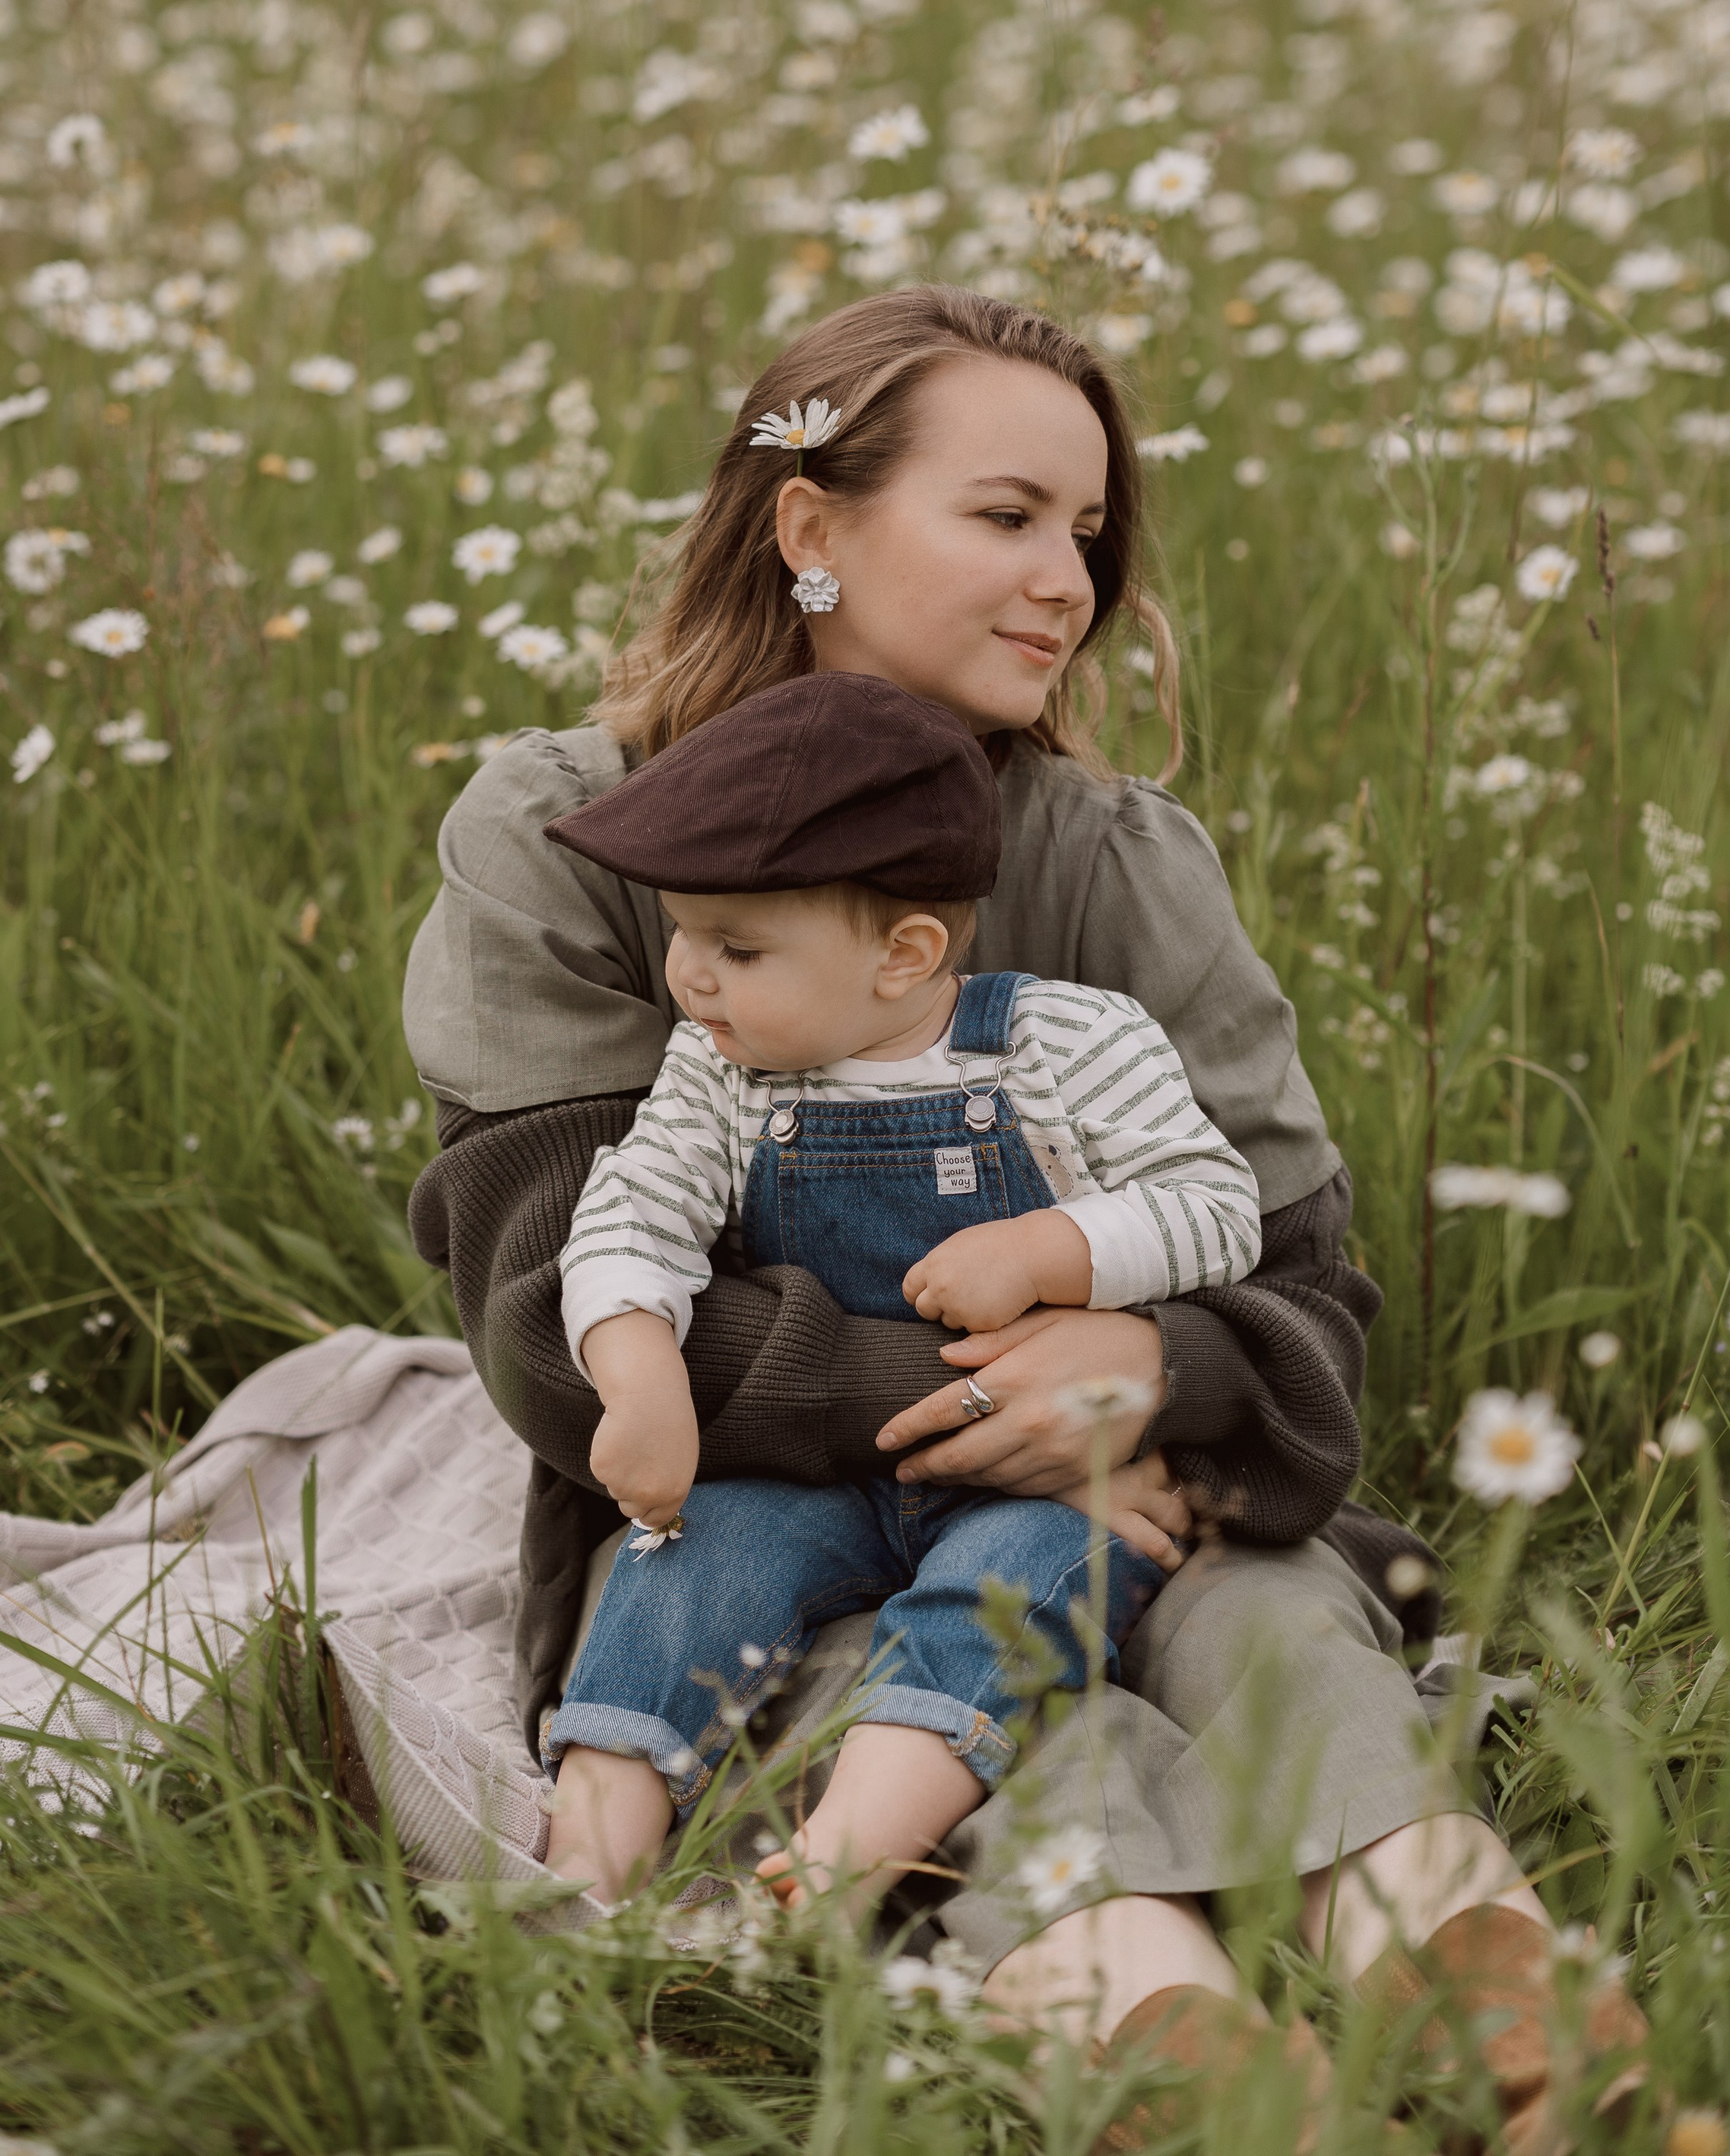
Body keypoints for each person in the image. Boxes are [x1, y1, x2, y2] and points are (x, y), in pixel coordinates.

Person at [404, 287, 1647, 2139]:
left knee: (1268, 1622)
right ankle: (1200, 2067)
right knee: (924, 1709)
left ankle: (1512, 2028)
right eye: (1003, 516)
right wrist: (1027, 1399)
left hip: (1143, 1498)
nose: (1064, 578)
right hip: (753, 1519)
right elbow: (554, 1324)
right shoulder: (574, 846)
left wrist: (1145, 1362)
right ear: (809, 527)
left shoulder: (1116, 862)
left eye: (1085, 533)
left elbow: (1305, 1303)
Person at [537, 670, 1261, 1911]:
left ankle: (846, 1856)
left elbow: (1215, 1207)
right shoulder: (719, 1074)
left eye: (737, 947)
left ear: (906, 953)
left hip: (1033, 1472)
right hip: (804, 1472)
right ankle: (582, 1864)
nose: (689, 978)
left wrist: (1048, 1255)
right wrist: (638, 1368)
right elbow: (632, 1212)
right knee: (683, 1565)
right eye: (684, 934)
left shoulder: (1067, 1045)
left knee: (1005, 1599)